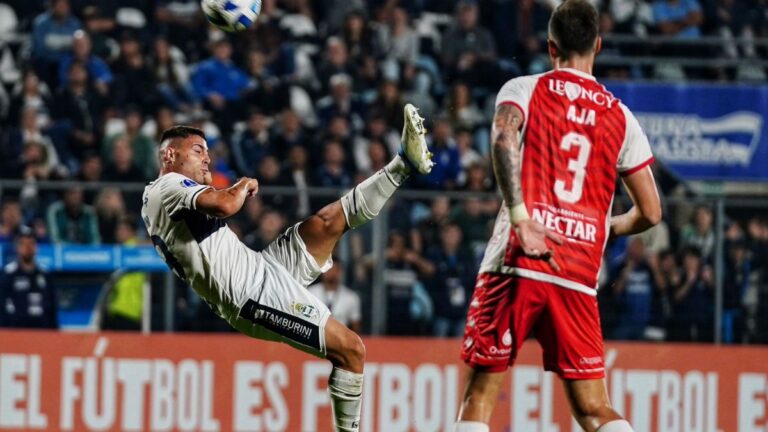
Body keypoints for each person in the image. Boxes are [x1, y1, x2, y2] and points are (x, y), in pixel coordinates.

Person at [141, 104, 433, 432]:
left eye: (207, 151)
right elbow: (225, 204)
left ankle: (403, 164)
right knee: (351, 349)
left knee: (327, 222)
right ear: (169, 156)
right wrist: (242, 185)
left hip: (261, 268)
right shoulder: (167, 187)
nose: (207, 157)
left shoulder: (165, 198)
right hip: (251, 295)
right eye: (197, 150)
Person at [454, 2, 661, 432]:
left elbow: (503, 135)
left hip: (518, 260)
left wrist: (520, 215)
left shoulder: (524, 89)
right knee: (593, 410)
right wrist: (608, 227)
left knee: (478, 399)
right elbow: (651, 212)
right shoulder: (621, 117)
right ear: (598, 46)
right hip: (578, 272)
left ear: (551, 47)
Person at [0, 227, 58, 329]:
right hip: (16, 332)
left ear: (36, 247)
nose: (28, 248)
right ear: (17, 248)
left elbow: (52, 310)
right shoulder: (8, 275)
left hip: (41, 332)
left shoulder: (45, 275)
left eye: (31, 243)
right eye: (23, 244)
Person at [308, 260, 362, 333]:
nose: (331, 273)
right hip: (314, 337)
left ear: (340, 272)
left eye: (335, 270)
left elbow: (356, 327)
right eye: (328, 269)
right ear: (322, 270)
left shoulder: (351, 297)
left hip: (341, 339)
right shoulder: (310, 293)